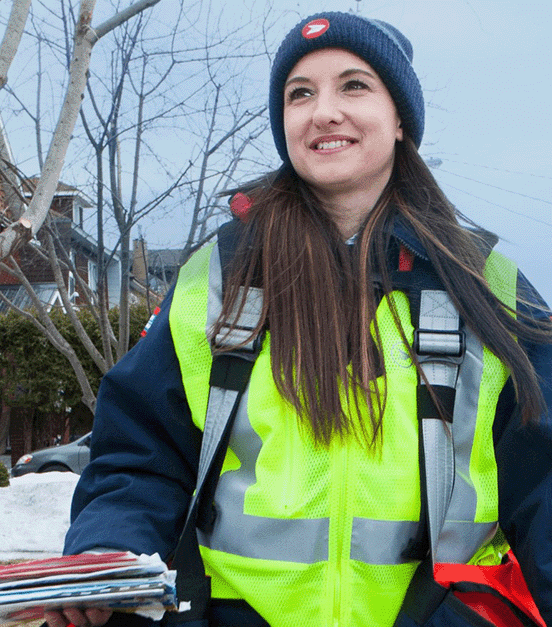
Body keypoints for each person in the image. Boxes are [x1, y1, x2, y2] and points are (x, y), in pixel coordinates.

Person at [45, 11, 552, 627]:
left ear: (400, 122)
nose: (323, 110)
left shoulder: (486, 284)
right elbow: (139, 456)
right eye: (300, 93)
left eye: (354, 85)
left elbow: (545, 483)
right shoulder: (218, 277)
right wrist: (108, 553)